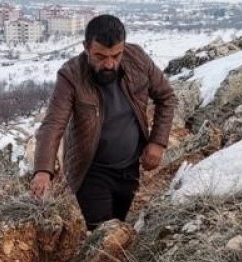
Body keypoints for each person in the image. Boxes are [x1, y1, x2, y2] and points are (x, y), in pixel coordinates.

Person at [29, 15, 177, 229]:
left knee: (119, 223)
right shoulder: (71, 75)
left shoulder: (138, 59)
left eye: (116, 55)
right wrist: (43, 170)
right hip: (91, 170)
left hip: (130, 167)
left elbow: (166, 97)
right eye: (100, 56)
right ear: (86, 48)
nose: (109, 64)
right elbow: (53, 124)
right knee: (101, 232)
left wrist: (158, 142)